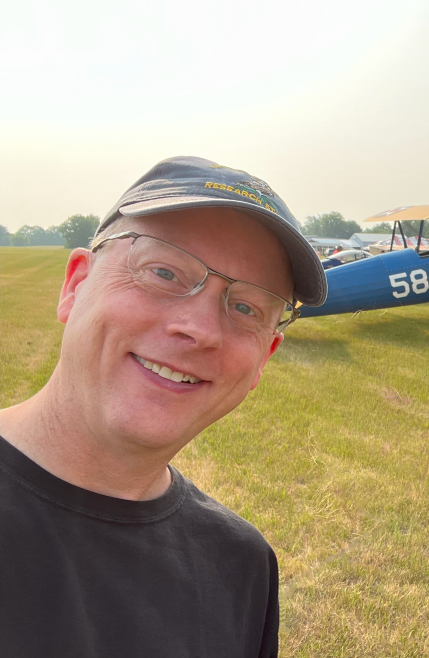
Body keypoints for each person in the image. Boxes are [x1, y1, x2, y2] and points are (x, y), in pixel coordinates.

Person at [0, 156, 327, 658]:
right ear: (75, 285)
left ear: (264, 358)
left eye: (245, 307)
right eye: (165, 272)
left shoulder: (241, 567)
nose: (199, 328)